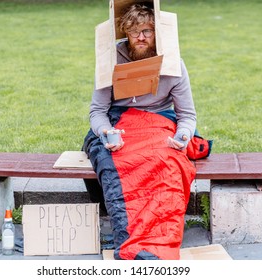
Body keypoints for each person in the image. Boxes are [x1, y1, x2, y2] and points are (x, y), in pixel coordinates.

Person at [82, 2, 197, 260]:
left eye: (147, 31)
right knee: (118, 160)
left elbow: (187, 116)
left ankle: (159, 241)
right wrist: (105, 133)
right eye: (134, 32)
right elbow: (97, 111)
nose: (141, 37)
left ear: (157, 33)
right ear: (125, 32)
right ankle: (131, 238)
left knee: (167, 161)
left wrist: (183, 136)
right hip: (119, 122)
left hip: (158, 122)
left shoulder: (174, 62)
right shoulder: (111, 59)